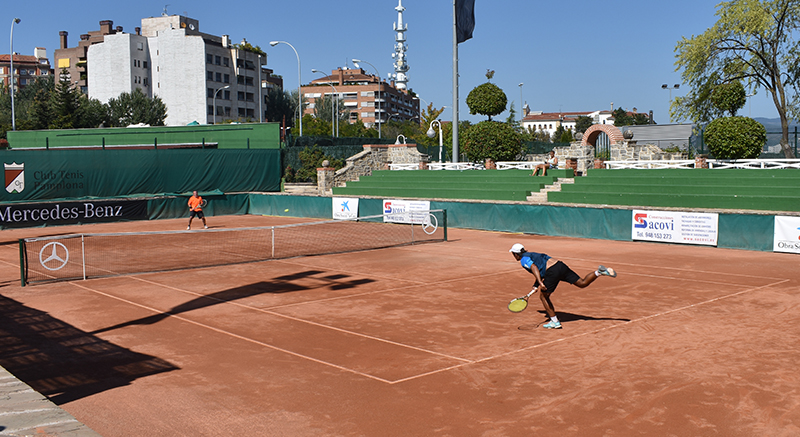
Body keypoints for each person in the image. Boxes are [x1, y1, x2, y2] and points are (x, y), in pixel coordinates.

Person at [509, 243, 616, 329]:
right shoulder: (533, 254)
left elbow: (534, 268)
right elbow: (540, 268)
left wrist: (540, 283)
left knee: (543, 296)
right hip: (560, 265)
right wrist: (536, 284)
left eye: (513, 254)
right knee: (582, 283)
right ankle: (599, 272)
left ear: (516, 254)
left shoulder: (523, 260)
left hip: (552, 271)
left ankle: (554, 322)